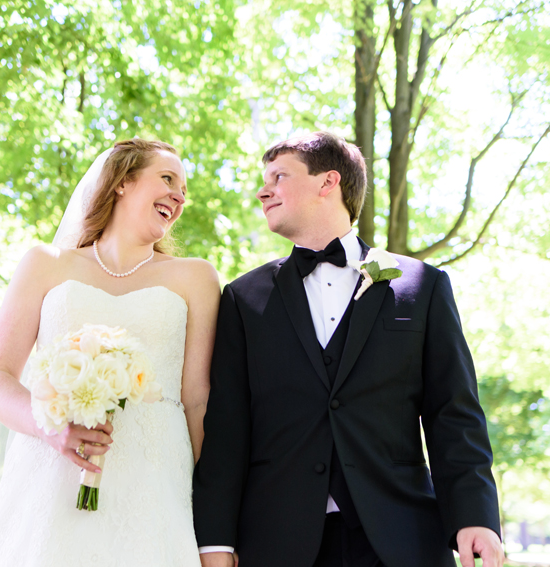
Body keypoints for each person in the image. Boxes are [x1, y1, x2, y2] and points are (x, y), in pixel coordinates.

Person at [193, 132, 503, 567]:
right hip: (276, 542)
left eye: (279, 176)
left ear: (328, 182)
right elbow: (227, 430)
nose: (263, 191)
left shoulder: (421, 286)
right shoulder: (243, 298)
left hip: (400, 540)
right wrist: (215, 542)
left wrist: (476, 516)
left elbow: (453, 412)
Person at [0, 139, 220, 567]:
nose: (179, 195)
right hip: (50, 477)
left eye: (184, 191)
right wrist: (49, 427)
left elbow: (198, 399)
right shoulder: (46, 263)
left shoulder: (196, 278)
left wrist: (213, 518)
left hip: (155, 486)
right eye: (168, 178)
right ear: (123, 182)